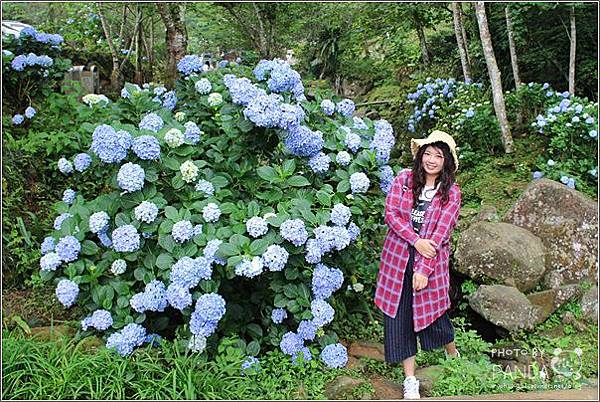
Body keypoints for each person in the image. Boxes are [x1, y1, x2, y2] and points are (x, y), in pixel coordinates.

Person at [374, 130, 462, 400]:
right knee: (399, 315)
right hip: (398, 257)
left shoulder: (451, 193)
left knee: (433, 310)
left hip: (431, 259)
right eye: (428, 153)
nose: (432, 160)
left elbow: (441, 233)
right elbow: (392, 214)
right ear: (420, 155)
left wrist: (423, 268)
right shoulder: (404, 179)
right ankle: (410, 379)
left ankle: (453, 355)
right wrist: (415, 240)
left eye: (438, 155)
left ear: (446, 161)